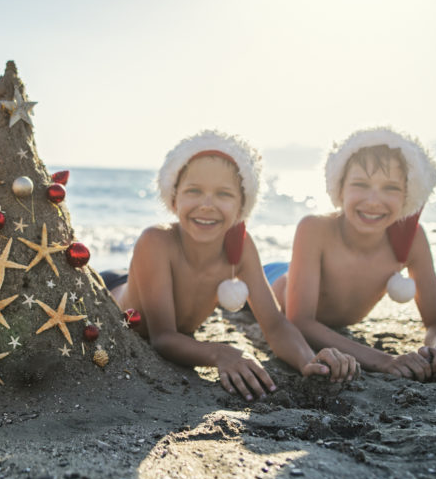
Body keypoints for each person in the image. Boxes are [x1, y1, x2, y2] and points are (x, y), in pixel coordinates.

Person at [106, 130, 359, 401]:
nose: (207, 205)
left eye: (223, 194)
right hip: (113, 287)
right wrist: (222, 352)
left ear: (241, 207)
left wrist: (308, 360)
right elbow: (163, 338)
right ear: (174, 197)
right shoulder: (155, 241)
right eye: (194, 191)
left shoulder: (240, 247)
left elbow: (274, 324)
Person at [270, 126, 436, 382]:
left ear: (408, 195)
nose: (374, 200)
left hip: (302, 273)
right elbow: (299, 321)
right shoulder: (314, 228)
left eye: (391, 188)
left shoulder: (410, 239)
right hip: (273, 276)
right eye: (360, 184)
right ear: (339, 189)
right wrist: (383, 360)